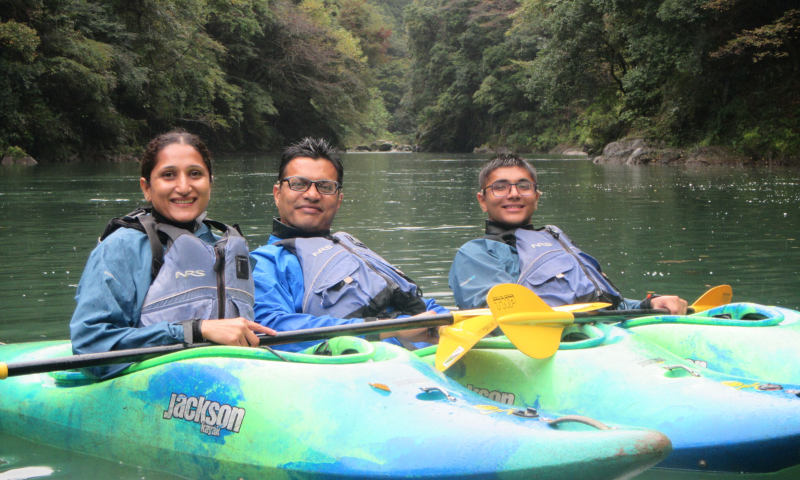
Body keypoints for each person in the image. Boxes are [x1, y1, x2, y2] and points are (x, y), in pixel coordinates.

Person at [70, 131, 275, 379]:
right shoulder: (121, 247)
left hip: (230, 382)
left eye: (195, 174)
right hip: (152, 389)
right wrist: (194, 331)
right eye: (169, 175)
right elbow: (90, 344)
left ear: (210, 182)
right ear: (146, 187)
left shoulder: (226, 244)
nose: (184, 187)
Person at [250, 138, 445, 352]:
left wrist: (449, 321)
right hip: (354, 368)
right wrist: (388, 329)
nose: (312, 195)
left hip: (422, 356)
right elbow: (270, 328)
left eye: (325, 187)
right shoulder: (263, 263)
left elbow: (417, 303)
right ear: (277, 194)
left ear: (339, 200)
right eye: (299, 184)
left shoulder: (348, 246)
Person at [449, 154, 688, 314]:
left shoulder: (555, 243)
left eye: (524, 186)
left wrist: (648, 304)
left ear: (536, 197)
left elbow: (601, 303)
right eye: (500, 187)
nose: (513, 194)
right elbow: (494, 316)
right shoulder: (474, 254)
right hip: (543, 344)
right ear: (483, 200)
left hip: (592, 334)